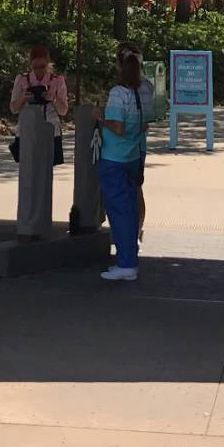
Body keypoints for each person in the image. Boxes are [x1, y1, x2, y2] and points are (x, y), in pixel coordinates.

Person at [98, 50, 152, 281]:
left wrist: (99, 117)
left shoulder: (118, 93)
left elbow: (117, 127)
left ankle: (126, 262)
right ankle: (130, 255)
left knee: (118, 211)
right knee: (130, 206)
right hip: (133, 155)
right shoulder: (145, 90)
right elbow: (144, 125)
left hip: (114, 157)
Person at [8, 45, 68, 240]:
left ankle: (42, 218)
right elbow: (13, 108)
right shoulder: (22, 79)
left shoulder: (57, 81)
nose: (39, 71)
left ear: (48, 64)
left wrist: (52, 98)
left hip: (50, 131)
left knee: (45, 176)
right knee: (28, 176)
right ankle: (27, 220)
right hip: (27, 133)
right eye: (36, 68)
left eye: (43, 67)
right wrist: (25, 97)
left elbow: (64, 110)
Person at [116, 41, 154, 238]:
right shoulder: (146, 86)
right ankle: (134, 230)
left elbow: (139, 122)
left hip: (128, 148)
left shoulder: (131, 88)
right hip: (137, 146)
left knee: (132, 189)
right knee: (134, 189)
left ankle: (133, 231)